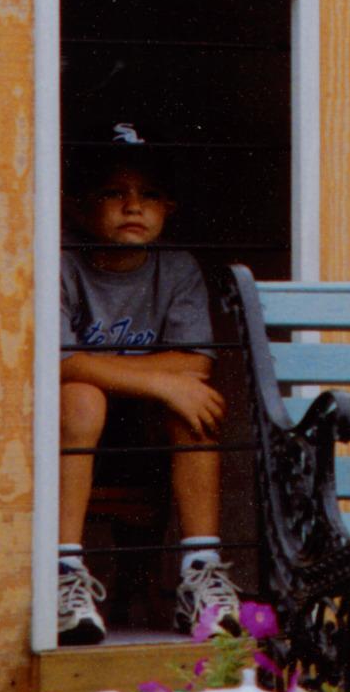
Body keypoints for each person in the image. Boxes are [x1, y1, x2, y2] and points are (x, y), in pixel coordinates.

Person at [57, 125, 239, 644]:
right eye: (114, 193)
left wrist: (159, 384)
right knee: (81, 396)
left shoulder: (176, 267)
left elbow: (197, 365)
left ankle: (199, 573)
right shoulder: (63, 261)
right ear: (77, 205)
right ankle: (64, 573)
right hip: (70, 430)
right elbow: (58, 363)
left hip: (143, 434)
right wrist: (162, 380)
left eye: (149, 195)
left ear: (169, 207)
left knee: (196, 403)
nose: (133, 206)